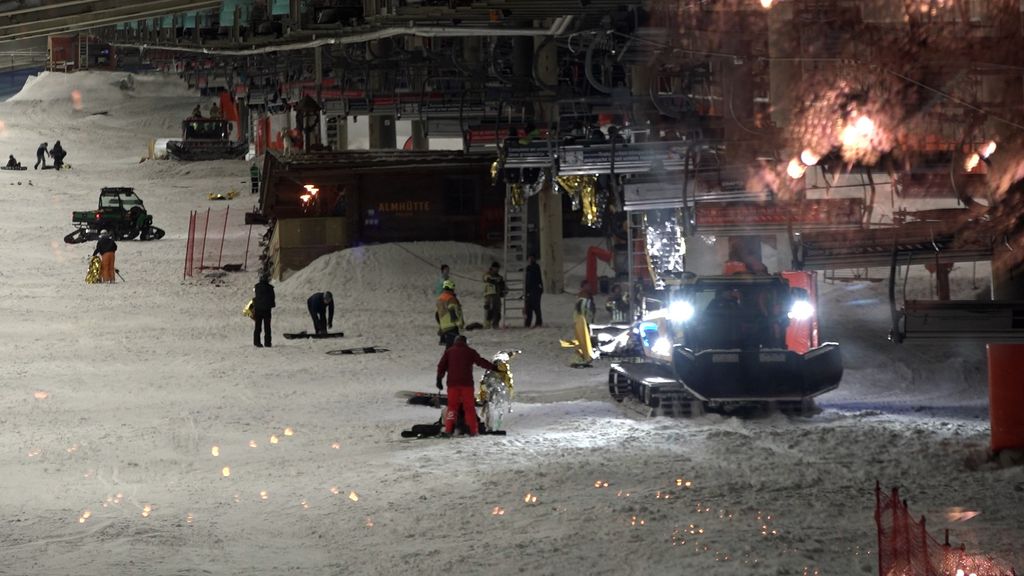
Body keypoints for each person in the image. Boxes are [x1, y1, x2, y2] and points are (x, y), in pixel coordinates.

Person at [436, 335, 497, 437]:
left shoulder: (449, 352)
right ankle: (473, 431)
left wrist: (439, 379)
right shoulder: (470, 351)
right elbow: (480, 361)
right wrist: (493, 367)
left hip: (452, 385)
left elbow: (441, 365)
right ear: (465, 342)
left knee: (452, 407)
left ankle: (448, 430)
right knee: (469, 408)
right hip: (467, 385)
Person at [436, 280, 464, 348]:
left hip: (444, 325)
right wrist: (459, 323)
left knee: (450, 345)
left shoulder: (440, 298)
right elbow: (453, 311)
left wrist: (440, 326)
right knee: (453, 346)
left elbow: (437, 314)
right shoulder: (451, 298)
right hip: (452, 325)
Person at [252, 275, 276, 347]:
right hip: (267, 310)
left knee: (257, 327)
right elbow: (272, 298)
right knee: (267, 327)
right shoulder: (270, 288)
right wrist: (271, 305)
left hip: (258, 309)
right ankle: (267, 343)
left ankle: (257, 342)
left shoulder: (256, 287)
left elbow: (256, 296)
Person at [483, 261, 506, 329]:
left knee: (497, 310)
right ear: (492, 268)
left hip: (497, 295)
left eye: (498, 268)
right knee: (489, 309)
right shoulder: (487, 275)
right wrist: (495, 280)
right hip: (489, 295)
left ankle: (495, 324)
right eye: (495, 268)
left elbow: (502, 285)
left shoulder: (499, 277)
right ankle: (488, 324)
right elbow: (487, 278)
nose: (497, 270)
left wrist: (502, 291)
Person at [524, 255, 543, 327]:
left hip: (535, 290)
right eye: (529, 258)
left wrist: (540, 288)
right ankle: (528, 323)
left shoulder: (536, 267)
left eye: (532, 258)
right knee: (529, 307)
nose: (530, 259)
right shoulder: (528, 268)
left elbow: (538, 278)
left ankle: (538, 322)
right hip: (529, 290)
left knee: (536, 307)